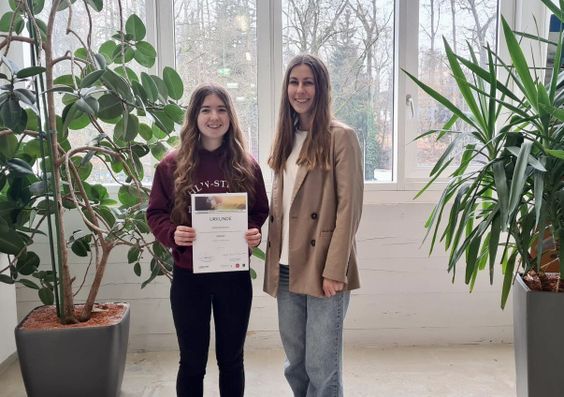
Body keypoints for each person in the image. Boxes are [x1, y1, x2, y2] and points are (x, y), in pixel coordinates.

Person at [147, 83, 269, 397]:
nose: (214, 117)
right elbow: (155, 213)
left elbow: (259, 210)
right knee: (191, 361)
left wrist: (253, 231)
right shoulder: (171, 165)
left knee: (231, 360)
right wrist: (173, 234)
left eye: (221, 109)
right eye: (206, 110)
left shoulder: (247, 165)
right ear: (194, 116)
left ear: (230, 116)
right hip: (190, 278)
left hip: (233, 276)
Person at [263, 54, 363, 396]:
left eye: (308, 82)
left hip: (323, 268)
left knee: (323, 367)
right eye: (294, 82)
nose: (300, 90)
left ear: (321, 88)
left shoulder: (340, 136)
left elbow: (349, 208)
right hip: (286, 268)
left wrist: (336, 269)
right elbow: (282, 204)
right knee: (296, 364)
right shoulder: (286, 136)